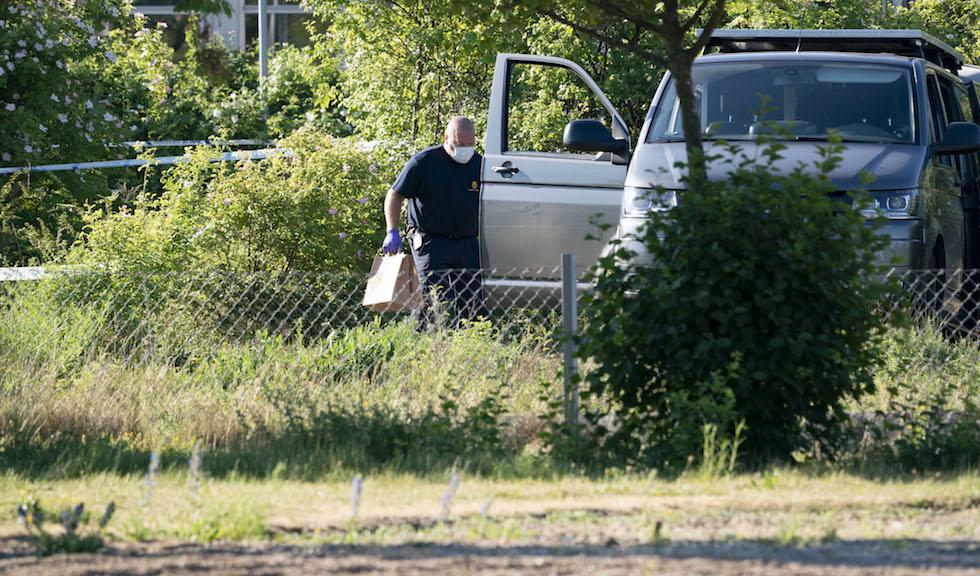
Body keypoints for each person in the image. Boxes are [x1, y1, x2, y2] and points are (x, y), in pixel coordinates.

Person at [381, 116, 486, 327]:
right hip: (430, 240)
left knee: (473, 301)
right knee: (433, 295)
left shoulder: (479, 165)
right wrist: (392, 230)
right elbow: (395, 195)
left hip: (466, 241)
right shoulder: (424, 162)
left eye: (470, 144)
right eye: (459, 143)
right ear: (446, 137)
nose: (465, 149)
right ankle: (423, 341)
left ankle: (466, 344)